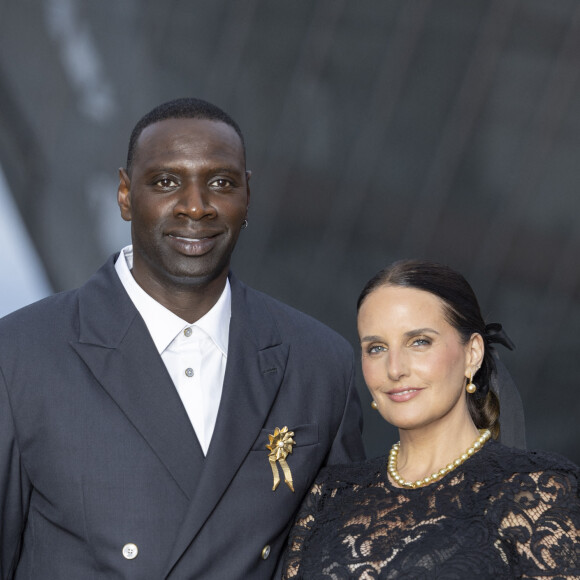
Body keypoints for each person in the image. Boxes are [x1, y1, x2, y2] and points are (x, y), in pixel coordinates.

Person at [0, 98, 366, 579]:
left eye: (221, 183)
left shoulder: (319, 363)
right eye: (166, 182)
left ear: (248, 195)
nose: (196, 206)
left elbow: (340, 562)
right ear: (126, 195)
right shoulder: (22, 353)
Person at [283, 260, 580, 579]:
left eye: (419, 342)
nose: (395, 369)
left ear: (472, 354)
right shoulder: (330, 494)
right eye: (376, 348)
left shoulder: (536, 491)